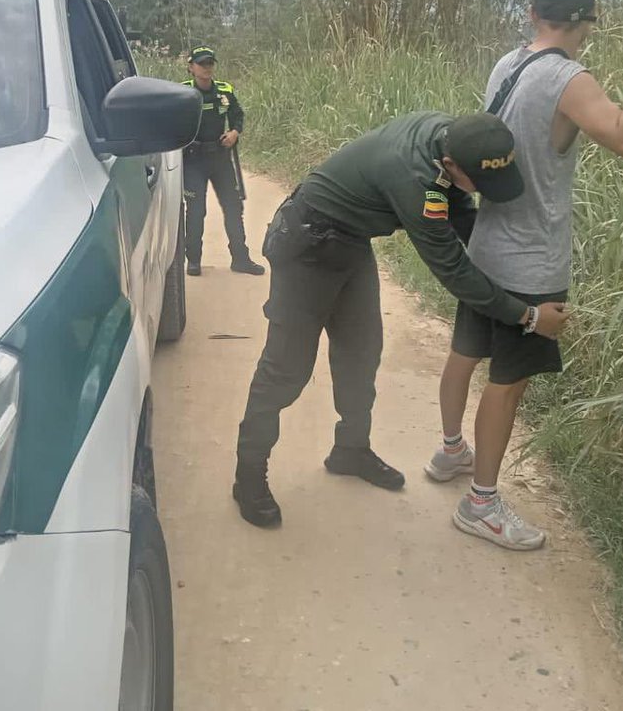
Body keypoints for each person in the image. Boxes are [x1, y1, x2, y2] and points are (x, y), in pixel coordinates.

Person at [426, 0, 623, 551]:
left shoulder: (509, 62)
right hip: (531, 265)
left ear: (532, 12)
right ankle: (482, 505)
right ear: (587, 20)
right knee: (508, 382)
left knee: (465, 350)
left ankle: (451, 453)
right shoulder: (571, 80)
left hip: (486, 249)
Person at [232, 111, 571, 528]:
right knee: (286, 369)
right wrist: (527, 315)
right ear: (450, 166)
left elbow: (461, 209)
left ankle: (350, 450)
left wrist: (510, 266)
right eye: (480, 183)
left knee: (361, 353)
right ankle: (248, 473)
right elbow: (452, 269)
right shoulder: (413, 180)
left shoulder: (452, 139)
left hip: (351, 243)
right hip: (307, 247)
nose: (484, 192)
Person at [180, 46, 264, 276]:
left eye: (210, 63)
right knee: (196, 211)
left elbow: (237, 115)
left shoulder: (225, 90)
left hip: (220, 158)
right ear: (191, 67)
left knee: (233, 207)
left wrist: (235, 132)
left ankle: (240, 259)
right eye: (201, 63)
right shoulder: (183, 93)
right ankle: (193, 260)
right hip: (193, 160)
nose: (206, 68)